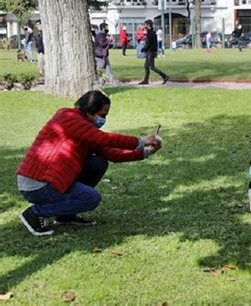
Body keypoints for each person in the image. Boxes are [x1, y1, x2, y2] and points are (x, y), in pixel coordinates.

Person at [17, 90, 162, 236]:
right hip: (38, 184)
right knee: (91, 198)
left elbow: (112, 153)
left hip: (53, 180)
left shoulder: (85, 130)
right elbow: (104, 139)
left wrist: (146, 152)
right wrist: (140, 141)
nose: (103, 120)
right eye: (102, 115)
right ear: (89, 110)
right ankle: (35, 213)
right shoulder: (68, 117)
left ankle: (66, 216)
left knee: (98, 162)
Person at [138, 20, 169, 85]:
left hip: (151, 52)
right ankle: (146, 80)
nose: (144, 26)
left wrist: (143, 49)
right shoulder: (150, 32)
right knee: (146, 66)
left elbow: (149, 43)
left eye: (145, 24)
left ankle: (165, 76)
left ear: (148, 25)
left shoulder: (151, 33)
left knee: (152, 67)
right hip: (150, 51)